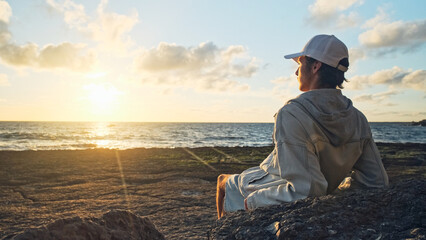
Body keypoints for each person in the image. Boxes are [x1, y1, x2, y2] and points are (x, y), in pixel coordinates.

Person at [216, 34, 389, 219]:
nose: (296, 72)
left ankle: (224, 230)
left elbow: (305, 192)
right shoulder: (358, 118)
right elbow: (376, 181)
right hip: (313, 184)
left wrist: (253, 201)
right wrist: (338, 193)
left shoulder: (292, 113)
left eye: (299, 64)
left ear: (315, 66)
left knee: (223, 182)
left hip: (279, 183)